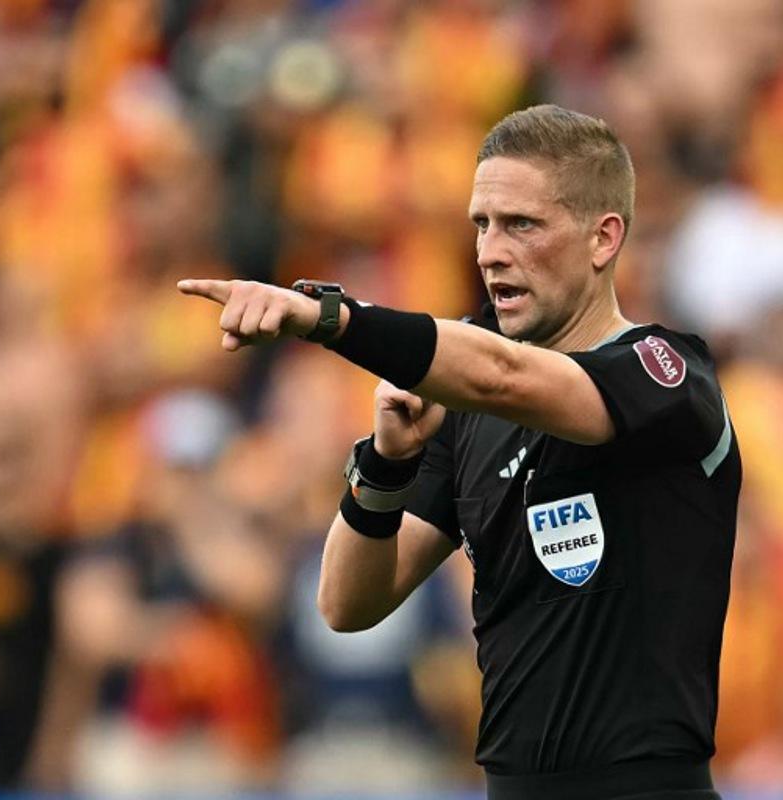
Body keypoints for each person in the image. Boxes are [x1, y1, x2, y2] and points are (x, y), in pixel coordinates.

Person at [178, 104, 740, 800]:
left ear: (603, 238)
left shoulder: (667, 377)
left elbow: (503, 374)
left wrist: (327, 316)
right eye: (481, 224)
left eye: (521, 225)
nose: (489, 251)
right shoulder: (467, 409)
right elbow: (346, 603)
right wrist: (386, 466)